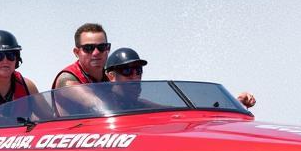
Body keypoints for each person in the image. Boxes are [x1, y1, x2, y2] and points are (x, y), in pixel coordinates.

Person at [103, 48, 257, 109]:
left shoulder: (138, 104)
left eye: (138, 70)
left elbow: (174, 110)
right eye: (127, 70)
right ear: (111, 76)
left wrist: (233, 102)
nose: (135, 76)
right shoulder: (102, 104)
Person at [53, 23, 110, 89]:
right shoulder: (66, 78)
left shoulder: (111, 77)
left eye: (102, 47)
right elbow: (90, 99)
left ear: (108, 49)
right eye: (88, 48)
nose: (96, 53)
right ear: (76, 52)